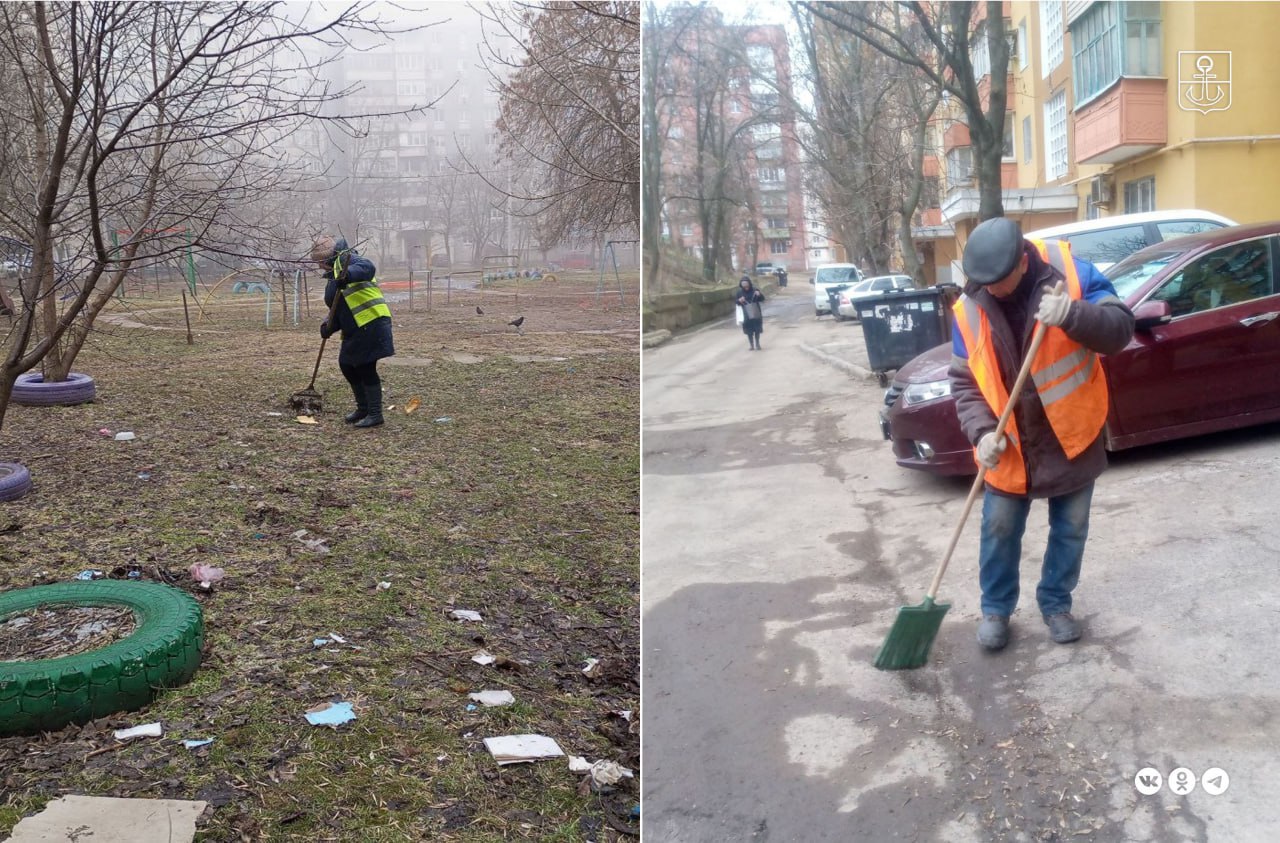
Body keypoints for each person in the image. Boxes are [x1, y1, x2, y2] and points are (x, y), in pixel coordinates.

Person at [949, 217, 1134, 651]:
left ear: (1021, 261)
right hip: (1010, 442)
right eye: (981, 281)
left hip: (1071, 433)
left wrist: (1073, 313)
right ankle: (996, 609)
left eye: (998, 280)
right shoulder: (969, 307)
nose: (989, 289)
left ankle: (1055, 603)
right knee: (998, 529)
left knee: (1070, 528)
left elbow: (1119, 331)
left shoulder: (1072, 274)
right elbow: (965, 383)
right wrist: (980, 434)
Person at [310, 236, 395, 428]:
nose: (319, 266)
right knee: (347, 365)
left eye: (319, 261)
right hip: (355, 326)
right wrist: (327, 326)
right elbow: (339, 309)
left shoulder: (348, 259)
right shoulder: (333, 275)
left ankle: (375, 414)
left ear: (326, 258)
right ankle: (363, 408)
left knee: (365, 367)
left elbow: (368, 267)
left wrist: (347, 275)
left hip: (371, 321)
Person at [736, 275, 765, 351]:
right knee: (749, 330)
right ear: (741, 284)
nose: (745, 285)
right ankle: (751, 345)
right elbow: (736, 302)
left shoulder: (755, 290)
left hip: (756, 312)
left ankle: (757, 344)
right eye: (743, 283)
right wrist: (739, 300)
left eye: (746, 283)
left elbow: (762, 299)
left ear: (749, 283)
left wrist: (759, 294)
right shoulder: (739, 292)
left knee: (757, 329)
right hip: (746, 314)